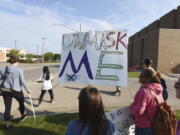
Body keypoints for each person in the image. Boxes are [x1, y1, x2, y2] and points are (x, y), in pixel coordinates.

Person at [0, 56, 31, 128]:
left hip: (5, 90)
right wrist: (27, 89)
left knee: (7, 107)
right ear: (17, 62)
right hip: (16, 90)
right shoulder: (19, 70)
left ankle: (7, 123)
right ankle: (22, 115)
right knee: (21, 102)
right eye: (18, 62)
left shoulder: (2, 68)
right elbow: (22, 81)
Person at [131, 69, 164, 135]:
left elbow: (139, 111)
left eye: (141, 76)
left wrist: (132, 107)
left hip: (143, 126)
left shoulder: (144, 91)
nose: (139, 77)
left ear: (148, 79)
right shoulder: (157, 88)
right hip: (155, 124)